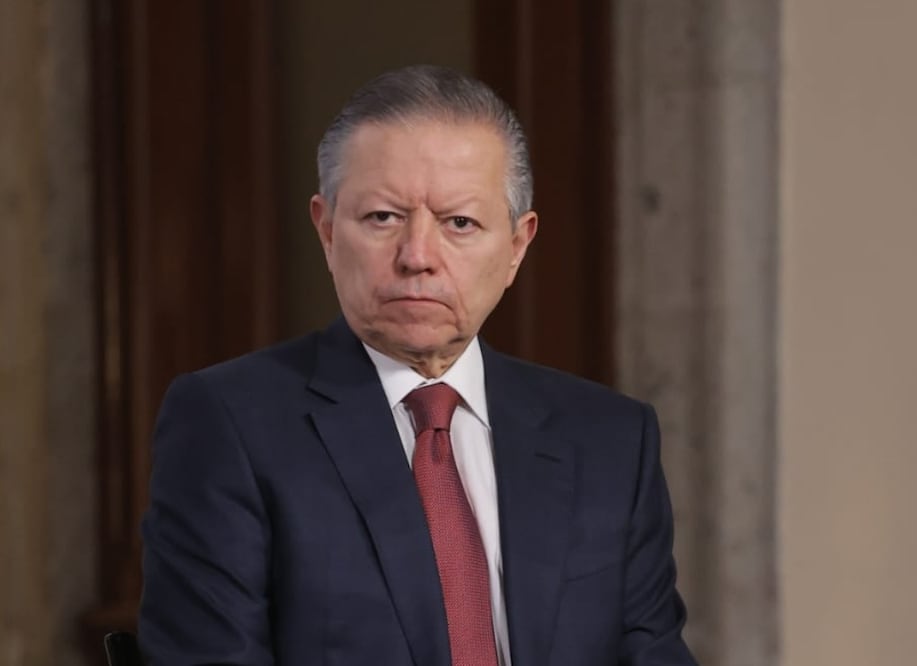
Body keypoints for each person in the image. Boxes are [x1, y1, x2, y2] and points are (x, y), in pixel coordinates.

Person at [138, 64, 696, 666]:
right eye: (383, 217)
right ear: (326, 230)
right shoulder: (231, 423)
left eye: (460, 223)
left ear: (516, 246)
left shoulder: (610, 439)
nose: (418, 257)